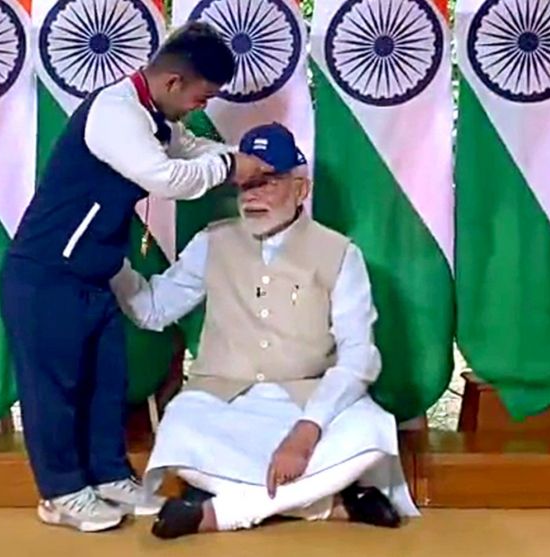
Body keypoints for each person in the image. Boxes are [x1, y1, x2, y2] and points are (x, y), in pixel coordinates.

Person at [0, 22, 272, 533]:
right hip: (45, 276)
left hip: (95, 272)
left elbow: (187, 149)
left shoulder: (155, 115)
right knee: (53, 391)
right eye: (201, 97)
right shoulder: (115, 113)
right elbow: (165, 178)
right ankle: (60, 494)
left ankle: (108, 476)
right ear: (172, 82)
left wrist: (238, 160)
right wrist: (229, 166)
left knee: (106, 384)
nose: (200, 108)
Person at [111, 123, 420, 539]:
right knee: (181, 429)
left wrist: (307, 432)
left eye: (268, 183)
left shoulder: (339, 253)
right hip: (223, 401)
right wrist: (111, 265)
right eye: (246, 185)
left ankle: (218, 513)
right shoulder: (212, 242)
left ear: (300, 189)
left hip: (308, 399)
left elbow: (359, 354)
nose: (252, 196)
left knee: (368, 430)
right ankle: (326, 505)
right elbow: (153, 310)